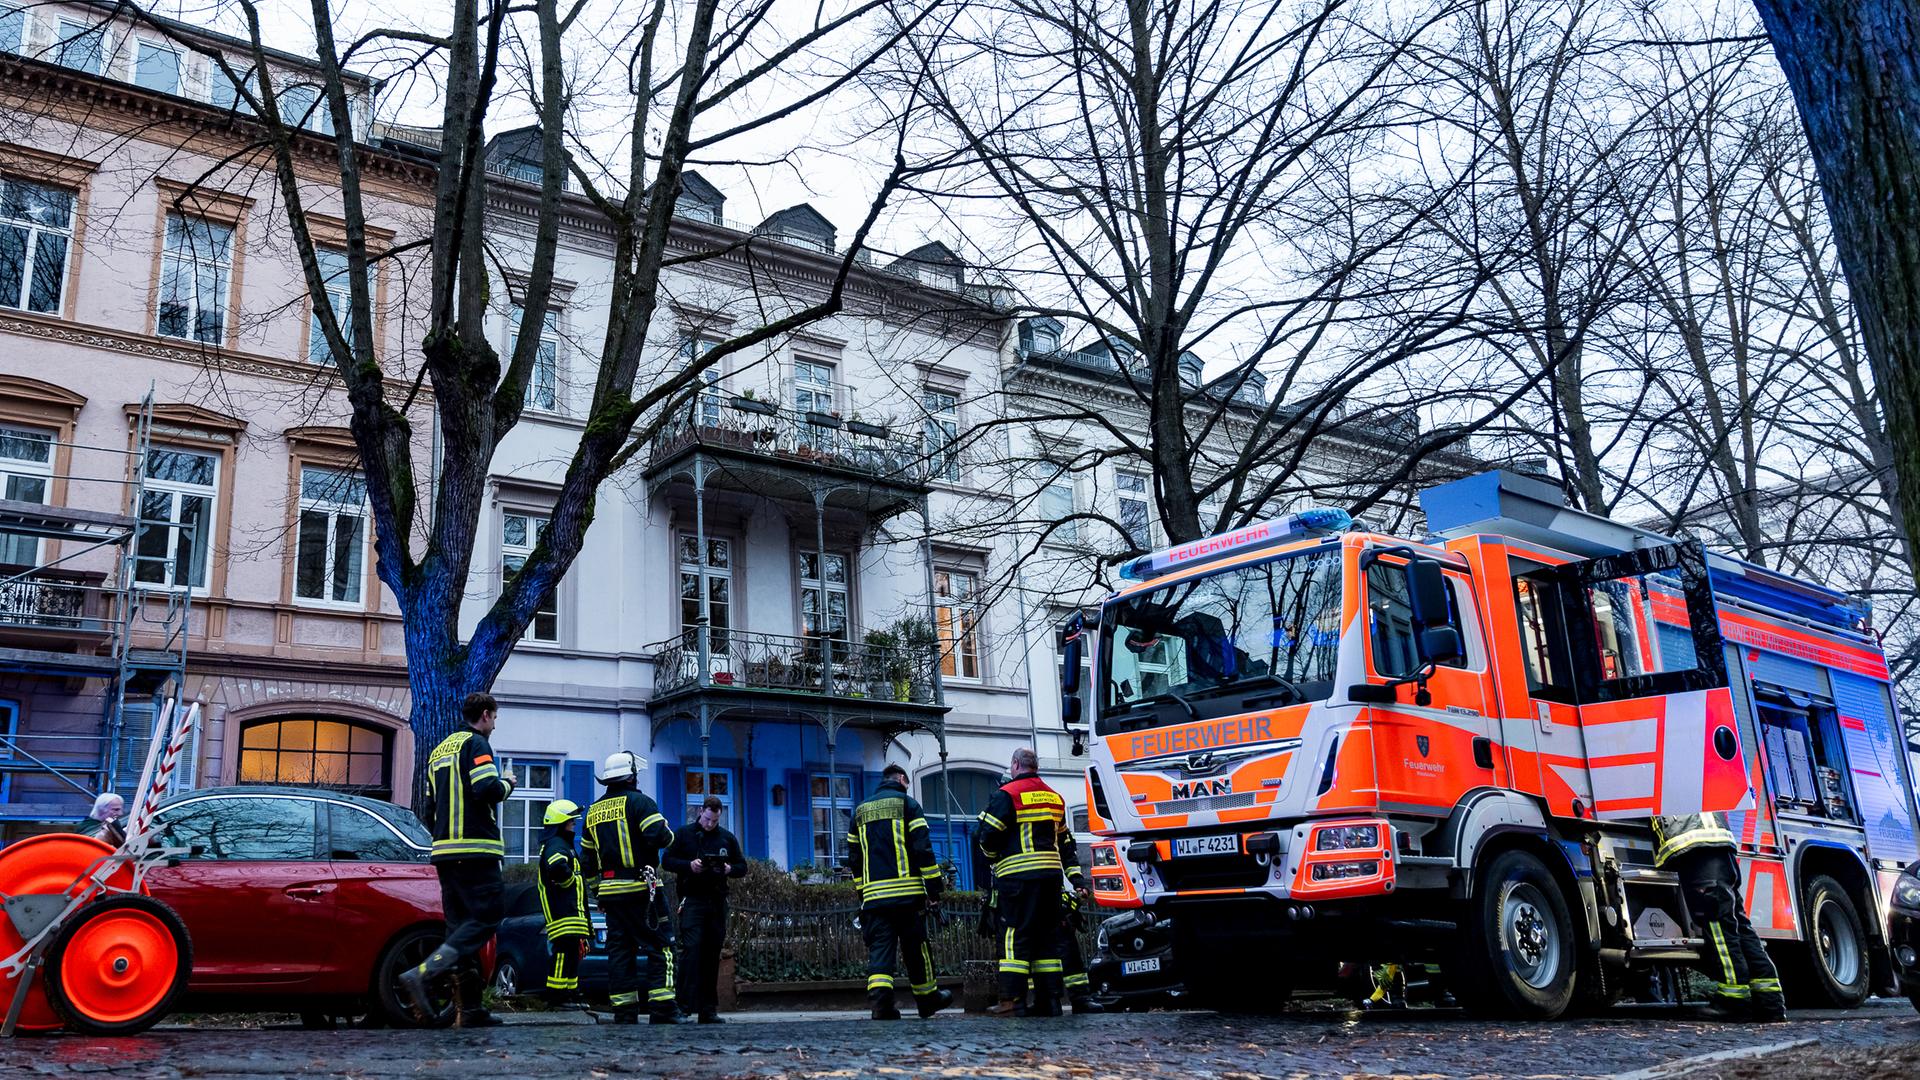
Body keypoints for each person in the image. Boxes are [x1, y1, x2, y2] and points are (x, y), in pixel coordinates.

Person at [399, 691, 515, 1027]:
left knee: (460, 928)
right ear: (485, 714)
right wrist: (506, 784)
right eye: (494, 717)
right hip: (476, 850)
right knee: (488, 916)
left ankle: (470, 1010)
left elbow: (427, 807)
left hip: (445, 853)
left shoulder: (438, 751)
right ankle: (422, 974)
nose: (494, 724)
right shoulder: (477, 745)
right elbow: (485, 789)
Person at [583, 750, 687, 1024]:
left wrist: (598, 893)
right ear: (630, 776)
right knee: (661, 946)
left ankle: (624, 1011)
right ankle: (663, 1009)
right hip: (643, 891)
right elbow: (661, 837)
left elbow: (588, 863)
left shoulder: (592, 812)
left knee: (620, 952)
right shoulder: (641, 803)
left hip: (611, 897)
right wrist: (667, 828)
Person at [1652, 812, 1786, 1022]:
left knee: (1719, 929)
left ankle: (1734, 1000)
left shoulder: (1668, 785)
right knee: (1741, 927)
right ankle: (1770, 1002)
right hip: (1721, 848)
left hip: (1697, 852)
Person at [846, 762, 953, 1020]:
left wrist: (863, 893)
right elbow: (923, 850)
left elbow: (854, 859)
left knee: (881, 949)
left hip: (874, 899)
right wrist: (934, 889)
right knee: (916, 948)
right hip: (907, 897)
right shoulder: (908, 805)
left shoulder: (860, 811)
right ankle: (927, 1000)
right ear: (902, 779)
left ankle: (881, 1006)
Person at [978, 747, 1080, 1016]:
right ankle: (1050, 1000)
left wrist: (993, 859)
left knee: (1015, 935)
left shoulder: (1007, 795)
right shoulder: (1054, 796)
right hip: (1050, 878)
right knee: (1047, 937)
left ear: (1015, 765)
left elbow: (988, 835)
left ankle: (1012, 1000)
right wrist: (1075, 877)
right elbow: (1065, 841)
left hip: (1017, 878)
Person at [664, 794, 746, 1024]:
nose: (710, 824)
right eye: (707, 819)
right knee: (691, 950)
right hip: (692, 900)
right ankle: (682, 1005)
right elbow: (667, 861)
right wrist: (689, 866)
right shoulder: (684, 834)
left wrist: (729, 868)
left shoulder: (726, 839)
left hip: (717, 901)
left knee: (712, 955)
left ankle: (707, 1009)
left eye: (714, 820)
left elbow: (743, 866)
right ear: (701, 811)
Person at [537, 799, 590, 1008]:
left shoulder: (561, 844)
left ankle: (569, 993)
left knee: (571, 951)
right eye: (572, 822)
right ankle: (557, 996)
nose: (574, 826)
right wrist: (568, 882)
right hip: (562, 911)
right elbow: (557, 867)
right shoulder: (556, 845)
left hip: (569, 911)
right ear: (561, 823)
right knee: (563, 951)